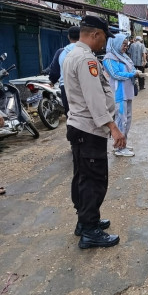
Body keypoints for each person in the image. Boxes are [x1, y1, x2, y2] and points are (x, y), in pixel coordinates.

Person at [63, 15, 125, 249]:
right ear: (95, 34)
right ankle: (90, 230)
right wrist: (114, 127)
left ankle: (86, 221)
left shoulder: (73, 54)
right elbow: (95, 99)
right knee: (93, 180)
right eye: (103, 39)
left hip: (80, 127)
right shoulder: (85, 60)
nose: (104, 44)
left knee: (82, 176)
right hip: (89, 129)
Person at [103, 34, 142, 157]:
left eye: (126, 44)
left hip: (127, 91)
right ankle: (119, 148)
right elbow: (115, 74)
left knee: (128, 119)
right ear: (116, 43)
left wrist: (134, 72)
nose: (125, 47)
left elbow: (130, 69)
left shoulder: (123, 56)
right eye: (123, 44)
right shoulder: (109, 58)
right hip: (119, 93)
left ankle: (123, 142)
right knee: (121, 119)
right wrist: (132, 75)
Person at [57, 26, 81, 115]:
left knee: (70, 115)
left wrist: (52, 80)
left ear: (68, 37)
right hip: (80, 87)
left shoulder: (61, 52)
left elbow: (55, 70)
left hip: (65, 87)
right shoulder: (85, 51)